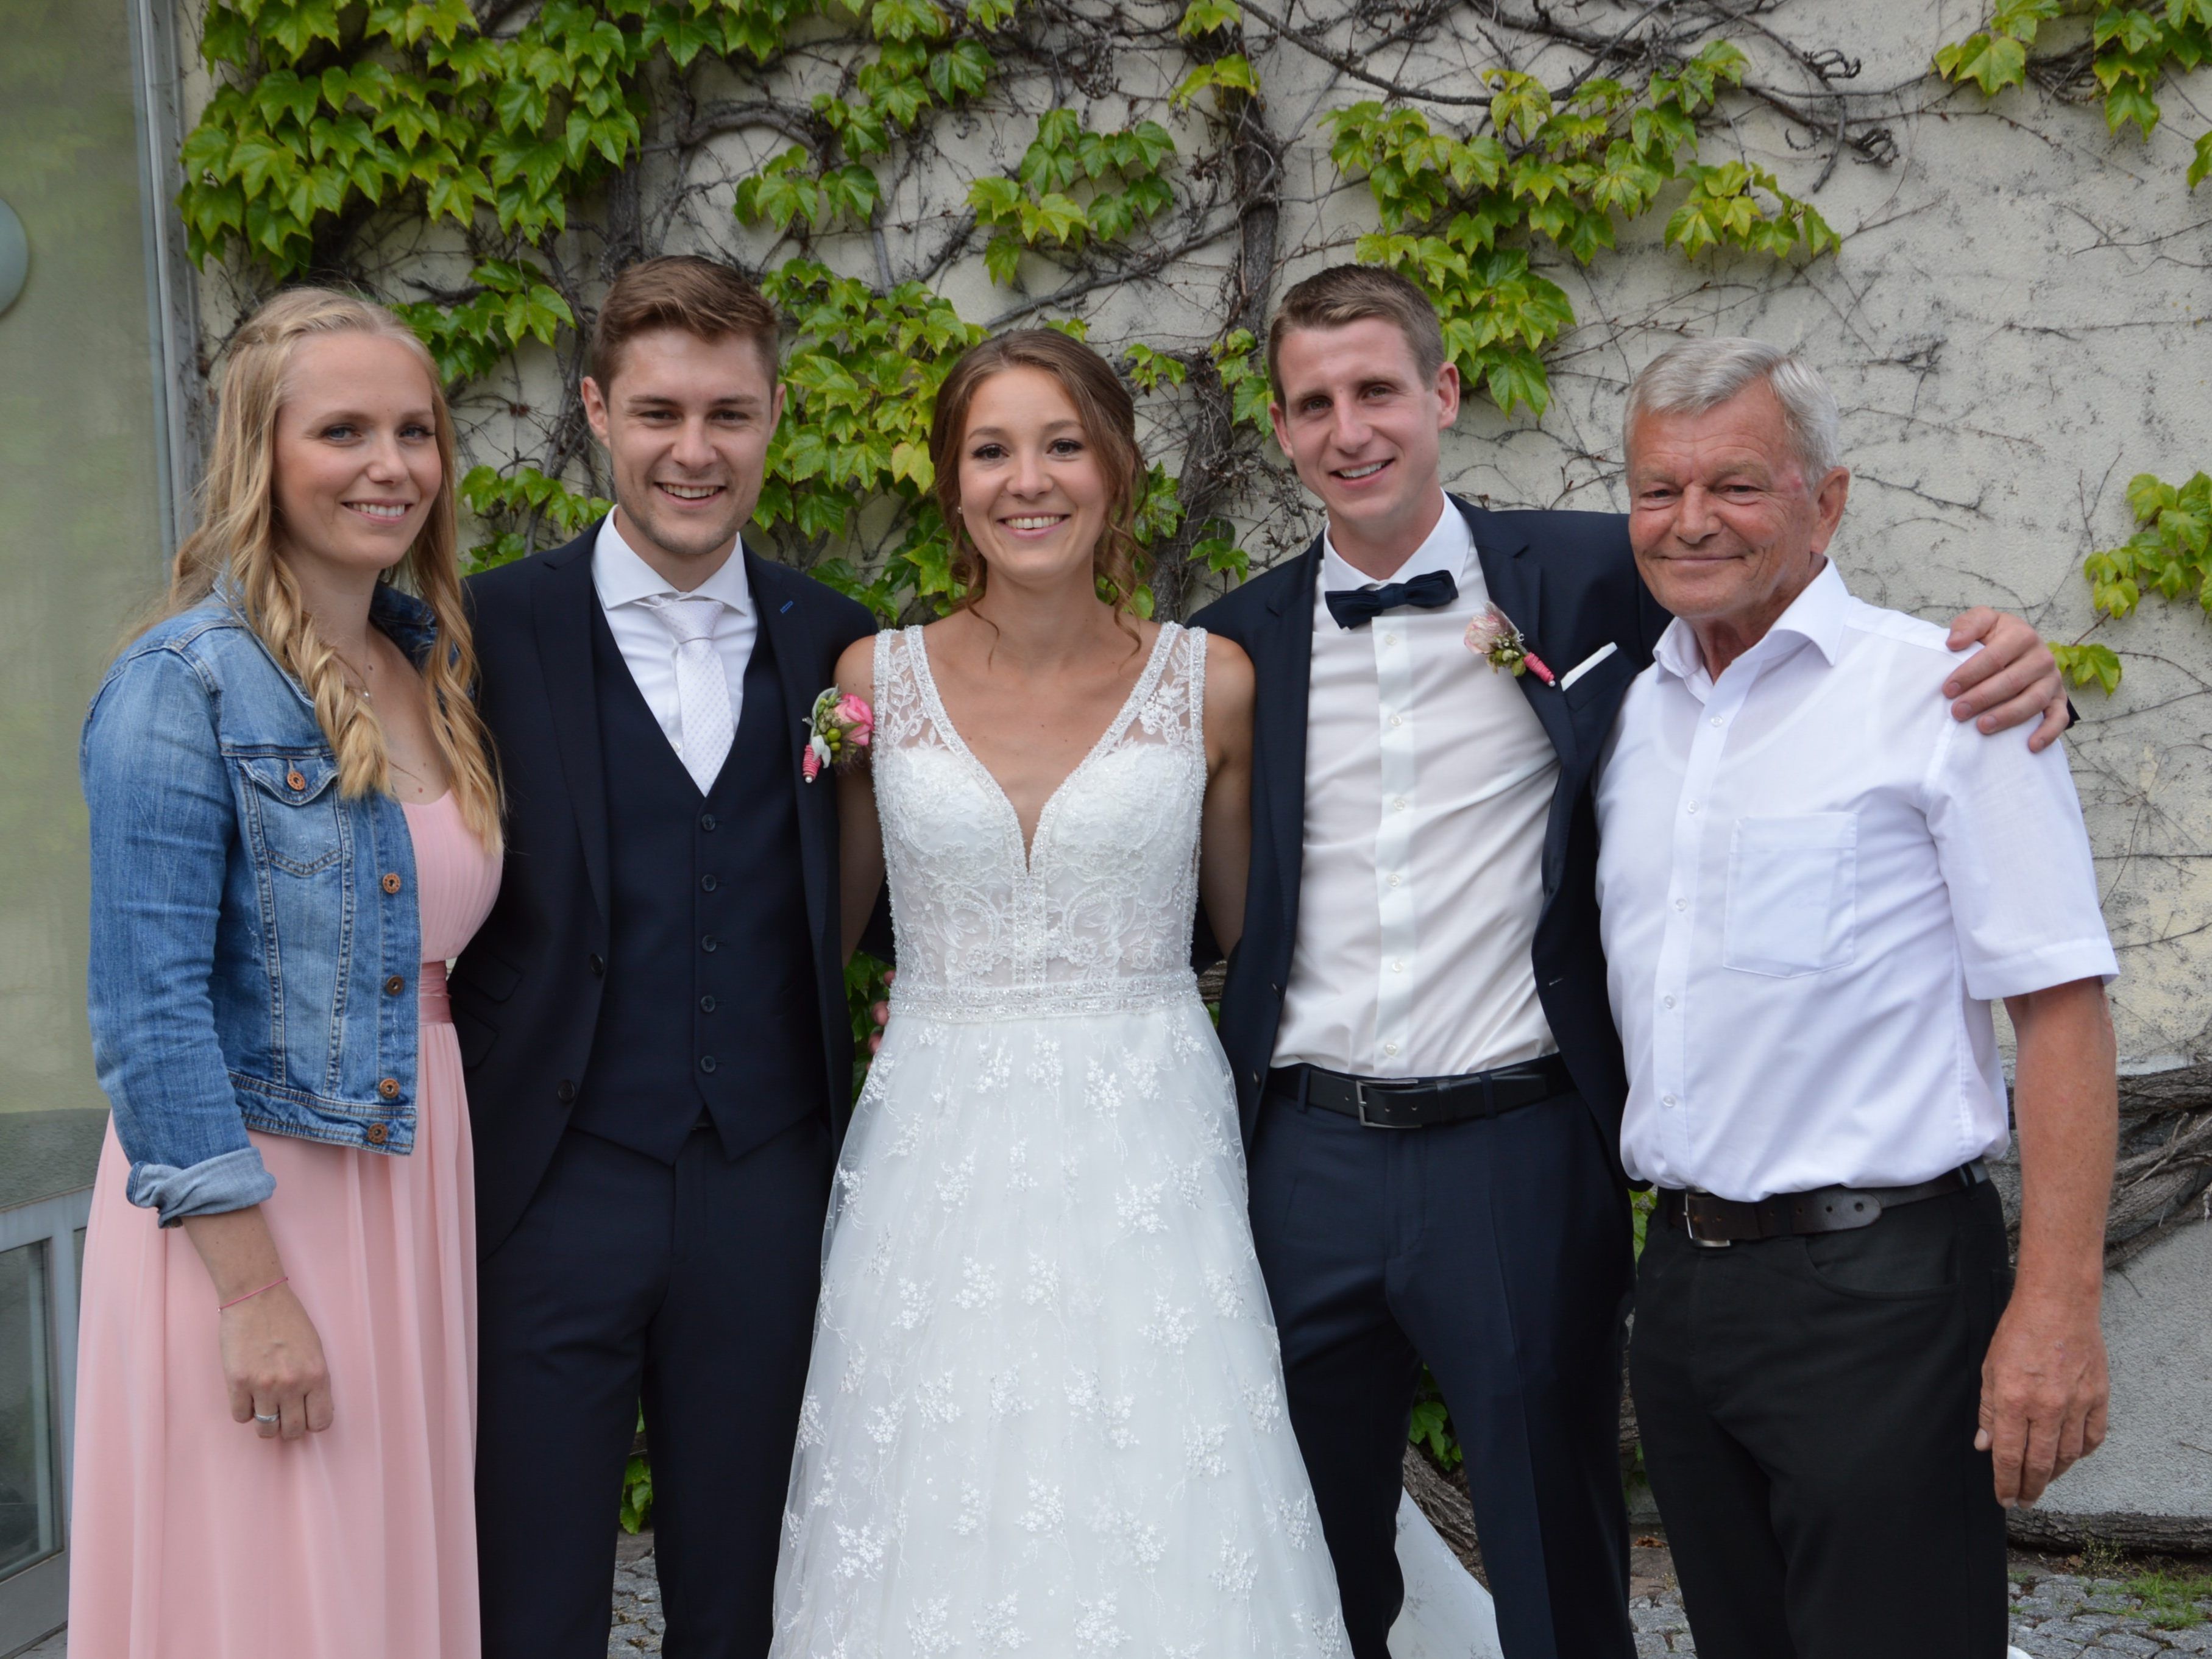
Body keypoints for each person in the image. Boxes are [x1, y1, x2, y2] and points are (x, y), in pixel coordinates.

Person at [1188, 265, 2072, 1659]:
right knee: (1304, 1543)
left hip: (1519, 1142)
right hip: (1308, 1151)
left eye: (1377, 391)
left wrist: (2019, 655)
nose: (1349, 429)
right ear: (1284, 430)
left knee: (1557, 1544)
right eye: (1313, 404)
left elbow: (1787, 599)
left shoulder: (1605, 573)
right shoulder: (1227, 646)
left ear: (1444, 397)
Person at [770, 328, 1366, 1655]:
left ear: (1116, 472)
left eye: (1061, 444)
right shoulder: (876, 685)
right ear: (951, 481)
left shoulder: (1210, 684)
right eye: (991, 450)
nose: (1026, 481)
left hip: (1146, 1140)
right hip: (936, 1144)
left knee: (1161, 1472)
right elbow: (825, 932)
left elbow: (1249, 939)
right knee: (932, 1480)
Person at [1595, 337, 2117, 1658]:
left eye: (1740, 485)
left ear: (1827, 501)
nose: (1692, 520)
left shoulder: (1947, 697)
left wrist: (2055, 1309)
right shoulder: (1625, 711)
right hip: (1688, 1295)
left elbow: (2061, 1010)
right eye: (1659, 490)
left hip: (1881, 1293)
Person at [70, 289, 504, 1658]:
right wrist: (252, 1293)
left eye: (415, 431)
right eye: (344, 432)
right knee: (274, 1594)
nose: (391, 465)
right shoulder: (181, 683)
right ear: (264, 453)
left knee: (377, 1581)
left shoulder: (423, 664)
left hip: (408, 1175)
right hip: (259, 1202)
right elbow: (147, 1011)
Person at [455, 256, 877, 1659]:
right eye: (657, 413)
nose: (693, 452)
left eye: (729, 414)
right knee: (531, 1584)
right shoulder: (478, 632)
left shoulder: (844, 645)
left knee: (746, 1588)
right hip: (546, 1184)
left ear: (774, 419)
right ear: (595, 412)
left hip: (768, 1177)